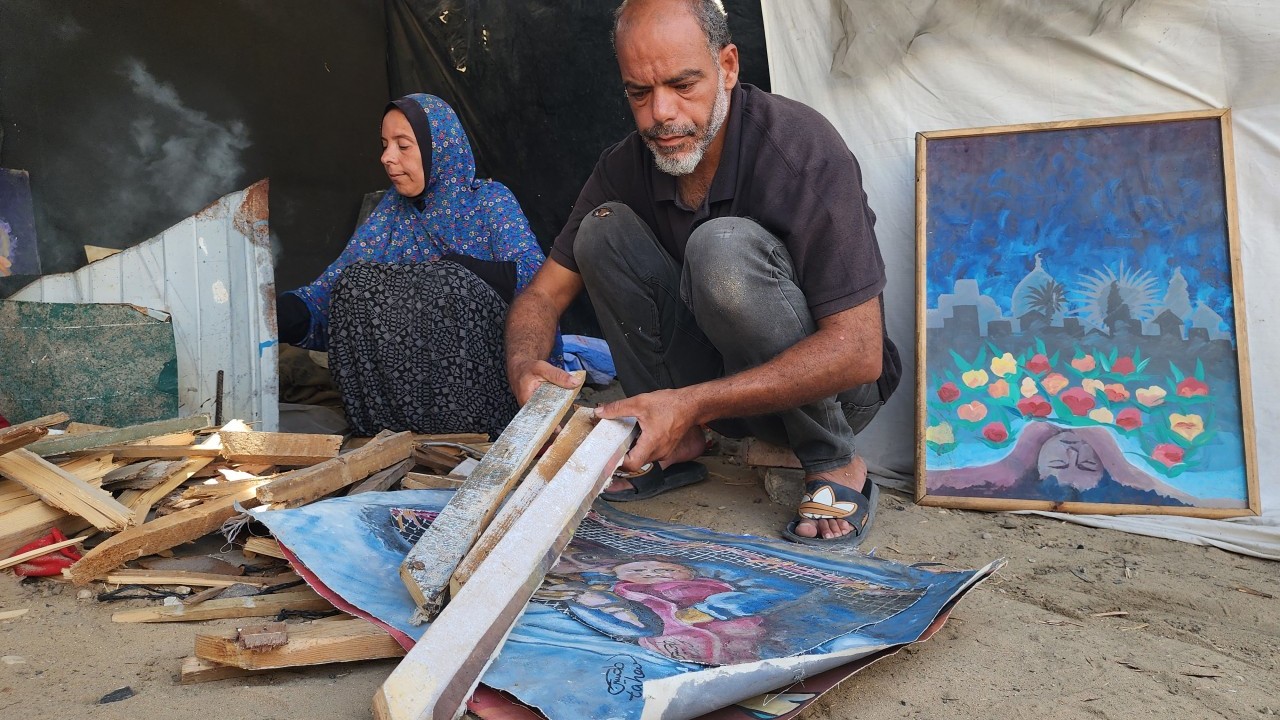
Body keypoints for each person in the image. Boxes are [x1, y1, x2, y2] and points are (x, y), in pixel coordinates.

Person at [504, 0, 901, 546]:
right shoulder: (625, 165)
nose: (660, 113)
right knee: (602, 230)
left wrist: (689, 403)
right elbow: (545, 294)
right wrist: (525, 363)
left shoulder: (800, 146)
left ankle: (832, 460)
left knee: (720, 248)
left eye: (682, 84)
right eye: (638, 93)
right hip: (724, 395)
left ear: (729, 67)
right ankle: (673, 443)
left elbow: (860, 351)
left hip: (838, 394)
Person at [278, 93, 551, 438]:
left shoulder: (488, 201)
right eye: (384, 145)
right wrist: (278, 315)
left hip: (490, 387)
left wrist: (456, 270)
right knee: (354, 283)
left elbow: (535, 277)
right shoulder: (390, 215)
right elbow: (327, 295)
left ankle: (472, 430)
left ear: (440, 148)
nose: (386, 158)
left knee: (446, 282)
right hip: (405, 401)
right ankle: (387, 432)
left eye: (403, 146)